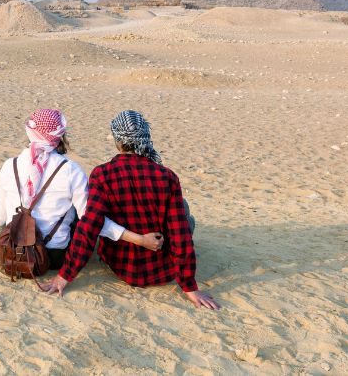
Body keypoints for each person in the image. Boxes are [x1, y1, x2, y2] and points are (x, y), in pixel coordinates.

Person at [37, 110, 219, 310]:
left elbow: (89, 227)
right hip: (161, 269)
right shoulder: (167, 176)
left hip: (120, 266)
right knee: (183, 214)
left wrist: (64, 276)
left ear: (117, 140)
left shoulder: (102, 174)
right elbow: (180, 235)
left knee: (95, 215)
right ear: (146, 137)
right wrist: (189, 287)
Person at [0, 109, 162, 270]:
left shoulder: (9, 166)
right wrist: (139, 239)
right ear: (60, 136)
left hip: (14, 249)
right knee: (75, 209)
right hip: (53, 256)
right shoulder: (71, 170)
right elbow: (91, 220)